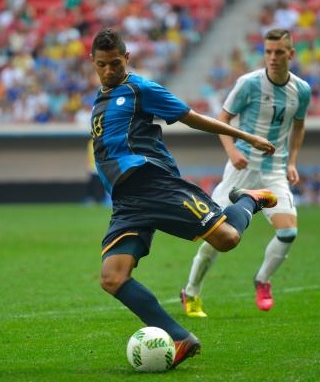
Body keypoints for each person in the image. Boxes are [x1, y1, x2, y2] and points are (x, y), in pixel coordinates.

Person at [90, 27, 278, 369]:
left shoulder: (139, 88)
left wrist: (243, 136)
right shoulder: (100, 100)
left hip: (154, 184)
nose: (108, 71)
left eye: (114, 63)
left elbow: (192, 118)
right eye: (101, 64)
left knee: (227, 239)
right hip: (126, 202)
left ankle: (248, 199)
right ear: (92, 62)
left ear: (126, 59)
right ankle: (179, 336)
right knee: (111, 277)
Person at [181, 29, 312, 317]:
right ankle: (190, 291)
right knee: (215, 235)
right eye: (268, 52)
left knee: (288, 232)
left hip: (274, 171)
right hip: (241, 170)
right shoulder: (249, 84)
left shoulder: (301, 90)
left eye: (279, 52)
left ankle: (262, 280)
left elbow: (299, 125)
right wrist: (232, 151)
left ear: (290, 54)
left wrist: (292, 162)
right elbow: (223, 119)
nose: (273, 57)